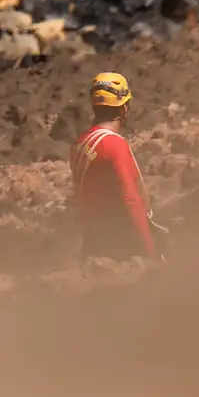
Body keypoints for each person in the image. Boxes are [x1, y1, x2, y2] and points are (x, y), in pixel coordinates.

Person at [68, 72, 163, 262]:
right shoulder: (114, 145)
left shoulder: (81, 143)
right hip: (119, 242)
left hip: (92, 238)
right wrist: (150, 250)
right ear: (124, 108)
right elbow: (130, 198)